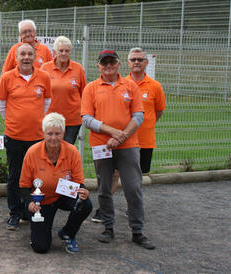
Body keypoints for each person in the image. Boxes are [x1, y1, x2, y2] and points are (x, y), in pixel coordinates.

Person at [81, 49, 156, 250]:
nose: (108, 66)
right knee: (104, 187)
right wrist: (112, 132)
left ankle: (137, 231)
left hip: (128, 145)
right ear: (98, 66)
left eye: (112, 62)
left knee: (133, 187)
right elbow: (87, 119)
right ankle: (108, 227)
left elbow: (138, 115)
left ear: (118, 64)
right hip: (101, 145)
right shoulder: (91, 88)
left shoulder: (130, 86)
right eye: (104, 63)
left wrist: (122, 135)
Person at [91, 48, 166, 224]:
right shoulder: (120, 83)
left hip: (142, 139)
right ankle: (105, 211)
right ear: (128, 62)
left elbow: (159, 111)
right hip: (110, 142)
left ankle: (132, 212)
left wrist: (139, 128)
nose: (137, 62)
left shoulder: (154, 86)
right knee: (113, 176)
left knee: (134, 180)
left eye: (140, 59)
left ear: (146, 62)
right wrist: (117, 134)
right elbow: (89, 117)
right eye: (134, 59)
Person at [0, 43, 52, 230]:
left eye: (29, 54)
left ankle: (31, 210)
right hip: (14, 136)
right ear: (16, 58)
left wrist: (35, 120)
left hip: (37, 137)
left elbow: (46, 102)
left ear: (35, 56)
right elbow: (1, 105)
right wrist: (14, 121)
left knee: (36, 176)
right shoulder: (6, 78)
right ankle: (15, 212)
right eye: (22, 54)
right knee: (15, 176)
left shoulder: (43, 77)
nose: (26, 57)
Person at [20, 113, 92, 254]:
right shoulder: (32, 152)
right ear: (44, 133)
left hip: (63, 196)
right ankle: (36, 229)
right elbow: (23, 186)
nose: (53, 138)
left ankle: (68, 233)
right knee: (41, 247)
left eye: (58, 133)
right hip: (41, 202)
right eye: (50, 133)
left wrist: (83, 192)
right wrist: (30, 203)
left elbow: (78, 182)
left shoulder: (72, 151)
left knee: (85, 204)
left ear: (64, 133)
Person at [40, 36, 87, 144]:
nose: (64, 53)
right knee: (50, 149)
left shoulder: (78, 68)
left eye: (67, 51)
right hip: (50, 119)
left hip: (72, 120)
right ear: (54, 52)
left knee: (67, 150)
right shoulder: (45, 68)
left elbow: (84, 93)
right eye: (61, 50)